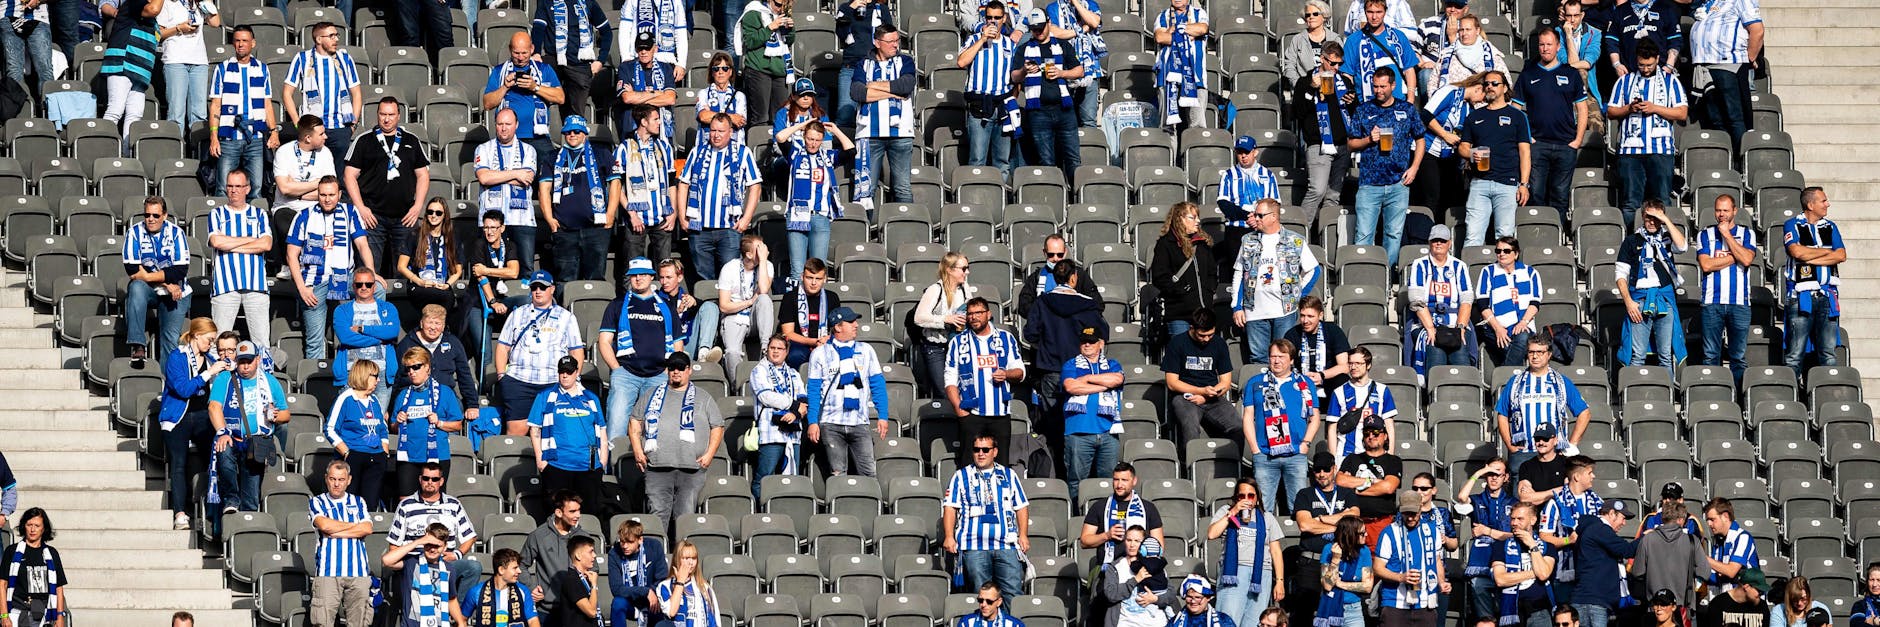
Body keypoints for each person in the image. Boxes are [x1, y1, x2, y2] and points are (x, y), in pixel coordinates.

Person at [631, 352, 726, 529]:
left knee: (686, 518)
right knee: (657, 516)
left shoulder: (703, 397)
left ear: (689, 370)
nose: (676, 371)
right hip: (657, 468)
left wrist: (709, 455)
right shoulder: (651, 394)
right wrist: (637, 450)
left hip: (691, 469)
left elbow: (718, 426)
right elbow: (635, 421)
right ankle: (659, 555)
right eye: (672, 367)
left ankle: (681, 556)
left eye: (681, 368)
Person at [286, 175, 377, 361]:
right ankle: (314, 382)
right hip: (313, 284)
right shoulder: (303, 216)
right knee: (314, 343)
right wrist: (302, 288)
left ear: (339, 194)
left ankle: (370, 336)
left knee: (380, 288)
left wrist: (372, 273)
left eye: (331, 194)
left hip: (344, 279)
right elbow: (291, 255)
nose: (327, 199)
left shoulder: (350, 212)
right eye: (323, 195)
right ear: (317, 195)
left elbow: (362, 245)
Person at [1603, 39, 1686, 228]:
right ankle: (1633, 242)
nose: (1646, 69)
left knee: (1662, 200)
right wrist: (1630, 108)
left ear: (1658, 59)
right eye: (1641, 64)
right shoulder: (1625, 81)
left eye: (1649, 65)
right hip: (1630, 152)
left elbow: (1682, 112)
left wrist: (1654, 108)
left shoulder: (1670, 80)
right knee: (1631, 202)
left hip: (1660, 150)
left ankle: (1664, 240)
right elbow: (1611, 111)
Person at [1347, 69, 1425, 267]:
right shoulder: (1363, 110)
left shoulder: (1407, 109)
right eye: (1375, 86)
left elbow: (1420, 138)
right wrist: (1368, 139)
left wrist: (1414, 168)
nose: (1378, 90)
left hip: (1398, 183)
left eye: (1382, 86)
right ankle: (1363, 272)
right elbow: (1351, 144)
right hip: (1369, 183)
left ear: (1393, 86)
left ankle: (1387, 275)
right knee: (1364, 233)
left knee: (1393, 234)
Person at [491, 270, 585, 435]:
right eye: (534, 287)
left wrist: (574, 379)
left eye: (543, 287)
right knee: (516, 431)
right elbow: (503, 346)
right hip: (519, 380)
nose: (538, 291)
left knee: (554, 432)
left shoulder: (566, 317)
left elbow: (576, 350)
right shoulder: (517, 314)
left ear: (552, 289)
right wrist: (501, 376)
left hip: (553, 382)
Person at [344, 98, 433, 271]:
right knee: (369, 270)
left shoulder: (411, 140)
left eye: (391, 114)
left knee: (405, 271)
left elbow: (423, 175)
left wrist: (417, 207)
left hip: (405, 217)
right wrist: (361, 208)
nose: (387, 119)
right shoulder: (364, 140)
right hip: (372, 218)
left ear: (399, 116)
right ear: (377, 115)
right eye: (383, 114)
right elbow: (349, 175)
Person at [806, 307, 894, 477]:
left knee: (869, 473)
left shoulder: (866, 350)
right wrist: (812, 421)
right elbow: (814, 390)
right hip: (831, 423)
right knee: (838, 473)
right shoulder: (819, 354)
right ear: (838, 327)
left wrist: (883, 415)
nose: (856, 325)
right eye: (851, 322)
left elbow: (877, 384)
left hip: (859, 421)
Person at [943, 432, 1031, 600]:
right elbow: (950, 508)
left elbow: (1021, 507)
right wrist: (949, 536)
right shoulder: (960, 477)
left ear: (995, 452)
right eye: (976, 449)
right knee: (982, 596)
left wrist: (1024, 535)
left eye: (985, 449)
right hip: (974, 545)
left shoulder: (1009, 475)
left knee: (1013, 593)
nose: (981, 453)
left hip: (1007, 545)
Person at [1231, 198, 1321, 364]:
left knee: (1284, 357)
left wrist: (1298, 294)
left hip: (1284, 311)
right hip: (1254, 310)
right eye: (1255, 214)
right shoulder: (1247, 240)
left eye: (1260, 215)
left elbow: (1314, 270)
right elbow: (1239, 273)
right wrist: (1237, 306)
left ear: (1273, 216)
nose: (1255, 218)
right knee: (1258, 359)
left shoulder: (1295, 240)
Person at [600, 257, 681, 440]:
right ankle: (612, 466)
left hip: (658, 375)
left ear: (651, 277)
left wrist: (669, 370)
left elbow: (677, 344)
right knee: (616, 425)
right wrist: (617, 369)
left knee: (654, 431)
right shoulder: (618, 305)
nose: (638, 279)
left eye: (643, 274)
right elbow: (604, 341)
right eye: (634, 275)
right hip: (626, 375)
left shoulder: (666, 306)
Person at [1024, 261, 1106, 439]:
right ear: (1074, 278)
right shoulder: (1088, 305)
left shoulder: (1041, 302)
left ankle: (1056, 466)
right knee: (1078, 425)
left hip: (1050, 370)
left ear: (1054, 278)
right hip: (1080, 372)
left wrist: (1046, 345)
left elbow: (1030, 334)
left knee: (1052, 427)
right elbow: (1103, 334)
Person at [207, 341, 290, 514]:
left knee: (251, 499)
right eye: (241, 361)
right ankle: (231, 498)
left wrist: (275, 416)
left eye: (249, 361)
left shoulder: (269, 381)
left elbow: (285, 414)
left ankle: (247, 528)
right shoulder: (226, 378)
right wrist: (222, 432)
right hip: (232, 436)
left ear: (257, 360)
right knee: (223, 451)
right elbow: (214, 406)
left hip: (257, 441)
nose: (245, 366)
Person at [1513, 28, 1589, 217]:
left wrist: (1578, 141)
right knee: (1536, 194)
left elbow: (1582, 108)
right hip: (1537, 145)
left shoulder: (1571, 74)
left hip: (1566, 145)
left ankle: (1558, 236)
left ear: (1558, 46)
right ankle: (1539, 236)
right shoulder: (1527, 74)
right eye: (1541, 44)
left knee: (1560, 196)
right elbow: (1516, 110)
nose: (1545, 48)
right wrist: (1527, 137)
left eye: (1549, 44)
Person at [161, 318, 228, 530]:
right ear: (196, 335)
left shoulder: (209, 358)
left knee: (216, 458)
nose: (211, 344)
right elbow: (183, 389)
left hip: (201, 416)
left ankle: (212, 511)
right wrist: (209, 373)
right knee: (178, 464)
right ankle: (180, 513)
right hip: (177, 417)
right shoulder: (176, 357)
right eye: (209, 339)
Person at [678, 114, 762, 281]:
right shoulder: (697, 152)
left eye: (721, 131)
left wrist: (746, 218)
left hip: (729, 228)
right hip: (699, 228)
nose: (716, 135)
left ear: (730, 132)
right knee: (703, 279)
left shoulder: (743, 152)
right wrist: (682, 216)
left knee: (729, 278)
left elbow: (755, 186)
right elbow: (683, 184)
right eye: (713, 130)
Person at [1242, 340, 1319, 515]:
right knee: (1262, 509)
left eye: (1281, 357)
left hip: (1296, 454)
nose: (1276, 361)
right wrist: (1255, 449)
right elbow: (1247, 417)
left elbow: (1314, 418)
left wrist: (1305, 444)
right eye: (1273, 357)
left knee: (1299, 509)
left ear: (1291, 360)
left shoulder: (1305, 384)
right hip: (1265, 455)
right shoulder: (1255, 383)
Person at [946, 297, 1027, 465]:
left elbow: (1020, 372)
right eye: (970, 314)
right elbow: (950, 378)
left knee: (1001, 464)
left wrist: (1006, 374)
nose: (973, 317)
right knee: (968, 465)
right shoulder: (957, 342)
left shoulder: (1006, 339)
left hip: (1000, 415)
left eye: (978, 313)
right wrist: (959, 410)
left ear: (988, 314)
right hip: (971, 414)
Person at [1494, 336, 1592, 471]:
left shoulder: (1562, 382)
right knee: (1521, 492)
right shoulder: (1515, 382)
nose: (1535, 356)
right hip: (1523, 453)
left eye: (1540, 352)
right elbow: (1502, 414)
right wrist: (1510, 445)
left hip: (1555, 453)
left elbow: (1584, 413)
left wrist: (1572, 444)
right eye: (1531, 352)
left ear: (1549, 355)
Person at [1457, 70, 1531, 246]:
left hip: (1507, 183)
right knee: (1473, 237)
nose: (1489, 87)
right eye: (1487, 84)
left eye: (1494, 84)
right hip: (1479, 183)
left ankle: (1502, 273)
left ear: (1505, 88)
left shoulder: (1518, 116)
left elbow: (1525, 153)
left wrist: (1524, 184)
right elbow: (1462, 147)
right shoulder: (1474, 116)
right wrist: (1471, 154)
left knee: (1504, 237)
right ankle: (1472, 273)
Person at [776, 121, 854, 285]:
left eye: (817, 140)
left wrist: (836, 130)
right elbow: (780, 137)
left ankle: (819, 308)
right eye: (810, 139)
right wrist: (803, 125)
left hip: (820, 217)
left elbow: (851, 151)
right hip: (797, 216)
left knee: (818, 269)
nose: (813, 143)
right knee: (797, 270)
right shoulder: (795, 153)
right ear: (804, 137)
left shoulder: (827, 156)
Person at [386, 460, 481, 591]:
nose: (430, 482)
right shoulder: (406, 505)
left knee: (473, 567)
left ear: (441, 481)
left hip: (445, 560)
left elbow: (470, 536)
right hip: (415, 561)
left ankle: (458, 610)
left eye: (435, 479)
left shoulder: (454, 504)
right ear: (420, 479)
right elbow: (394, 544)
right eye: (426, 478)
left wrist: (457, 554)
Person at [1694, 195, 1759, 384]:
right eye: (1718, 210)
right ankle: (1715, 392)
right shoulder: (1704, 234)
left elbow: (1747, 260)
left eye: (1725, 210)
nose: (1721, 214)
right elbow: (1706, 265)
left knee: (1738, 357)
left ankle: (1738, 398)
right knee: (1711, 355)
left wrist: (1727, 236)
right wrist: (1736, 256)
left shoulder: (1747, 234)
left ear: (1734, 211)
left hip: (1739, 303)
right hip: (1712, 302)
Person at [209, 26, 279, 200]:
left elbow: (267, 104)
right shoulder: (222, 68)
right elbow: (216, 105)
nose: (241, 45)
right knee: (224, 188)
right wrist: (213, 137)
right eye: (237, 40)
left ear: (253, 43)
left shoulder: (262, 69)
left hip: (255, 137)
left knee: (255, 188)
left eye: (245, 41)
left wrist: (274, 131)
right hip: (229, 137)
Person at [1617, 200, 1688, 369]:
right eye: (1648, 217)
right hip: (1639, 302)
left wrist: (1666, 220)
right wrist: (1629, 303)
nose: (1651, 221)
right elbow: (1620, 276)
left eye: (1656, 218)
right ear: (1642, 216)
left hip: (1664, 299)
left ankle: (1668, 394)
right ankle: (1634, 393)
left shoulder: (1667, 238)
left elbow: (1683, 246)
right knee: (1638, 355)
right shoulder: (1631, 241)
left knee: (1665, 355)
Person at [528, 356, 609, 505]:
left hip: (589, 467)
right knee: (556, 514)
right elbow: (535, 430)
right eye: (562, 371)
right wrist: (541, 461)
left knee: (589, 515)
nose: (565, 375)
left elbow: (602, 430)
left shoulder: (591, 398)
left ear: (577, 372)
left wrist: (602, 461)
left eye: (569, 372)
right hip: (557, 466)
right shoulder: (545, 396)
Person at [540, 115, 611, 283]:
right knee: (565, 280)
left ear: (584, 133)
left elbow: (615, 184)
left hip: (596, 229)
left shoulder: (601, 154)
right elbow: (544, 189)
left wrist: (611, 213)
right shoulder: (552, 157)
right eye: (568, 131)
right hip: (564, 231)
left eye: (577, 131)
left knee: (596, 280)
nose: (572, 134)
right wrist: (549, 219)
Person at [851, 25, 918, 203]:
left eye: (897, 40)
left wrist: (872, 85)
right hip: (869, 134)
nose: (895, 45)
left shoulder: (906, 61)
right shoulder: (863, 64)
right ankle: (864, 230)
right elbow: (857, 93)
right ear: (877, 42)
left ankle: (905, 229)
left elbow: (905, 86)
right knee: (865, 190)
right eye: (890, 42)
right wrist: (893, 92)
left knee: (902, 188)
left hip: (901, 133)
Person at [389, 345, 467, 496]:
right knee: (405, 501)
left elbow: (457, 425)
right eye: (408, 369)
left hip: (436, 457)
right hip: (408, 457)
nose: (411, 372)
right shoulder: (403, 395)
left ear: (428, 368)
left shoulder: (445, 392)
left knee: (434, 501)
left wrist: (440, 423)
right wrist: (398, 422)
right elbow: (393, 428)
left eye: (416, 367)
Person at [1013, 7, 1085, 170]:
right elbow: (1014, 77)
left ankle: (1075, 194)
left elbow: (1079, 71)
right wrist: (1024, 70)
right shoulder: (1024, 49)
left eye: (1040, 27)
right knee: (1046, 161)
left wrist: (1061, 73)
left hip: (1064, 109)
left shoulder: (1062, 45)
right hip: (1038, 112)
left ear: (1049, 23)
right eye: (1034, 29)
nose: (1038, 31)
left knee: (1073, 159)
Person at [1291, 41, 1357, 218]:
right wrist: (1311, 89)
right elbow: (1298, 112)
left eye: (1339, 64)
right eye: (1332, 63)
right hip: (1318, 145)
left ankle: (1327, 239)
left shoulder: (1343, 81)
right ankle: (1301, 232)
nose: (1336, 68)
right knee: (1317, 191)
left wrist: (1352, 102)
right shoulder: (1305, 82)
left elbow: (1352, 114)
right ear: (1322, 59)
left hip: (1342, 146)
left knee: (1333, 196)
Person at [207, 171, 274, 345]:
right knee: (220, 343)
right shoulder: (216, 214)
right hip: (225, 286)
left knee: (262, 344)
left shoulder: (259, 214)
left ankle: (261, 373)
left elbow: (266, 244)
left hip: (256, 286)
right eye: (230, 186)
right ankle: (221, 373)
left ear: (247, 189)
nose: (233, 190)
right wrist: (251, 240)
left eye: (238, 186)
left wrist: (230, 244)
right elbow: (216, 241)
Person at [1208, 478, 1286, 625]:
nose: (1246, 499)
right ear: (1236, 498)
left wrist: (1280, 581)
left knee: (1254, 621)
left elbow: (1276, 551)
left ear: (1257, 499)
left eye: (1250, 495)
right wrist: (1234, 512)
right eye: (1241, 496)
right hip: (1234, 573)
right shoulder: (1226, 512)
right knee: (1228, 620)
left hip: (1262, 574)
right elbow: (1212, 534)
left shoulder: (1267, 518)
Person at [1784, 187, 1845, 372]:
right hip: (1800, 296)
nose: (1828, 204)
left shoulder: (1830, 226)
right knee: (1795, 355)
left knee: (1828, 353)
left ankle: (1828, 393)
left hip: (1827, 296)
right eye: (1823, 201)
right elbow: (1796, 251)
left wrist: (1810, 257)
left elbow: (1841, 255)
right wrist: (1827, 251)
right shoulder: (1792, 224)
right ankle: (1791, 395)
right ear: (1810, 205)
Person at [123, 197, 192, 363]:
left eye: (155, 215)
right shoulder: (134, 232)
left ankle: (167, 382)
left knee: (170, 338)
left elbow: (180, 270)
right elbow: (132, 269)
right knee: (136, 286)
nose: (150, 219)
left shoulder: (176, 233)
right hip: (153, 289)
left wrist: (147, 275)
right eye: (147, 215)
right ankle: (138, 344)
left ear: (165, 215)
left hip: (177, 291)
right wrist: (166, 282)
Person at [482, 32, 564, 168]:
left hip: (539, 137)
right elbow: (487, 103)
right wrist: (505, 87)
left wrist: (535, 87)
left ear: (532, 49)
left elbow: (560, 98)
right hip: (509, 139)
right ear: (510, 50)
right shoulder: (499, 71)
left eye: (524, 53)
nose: (520, 58)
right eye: (516, 53)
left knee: (546, 180)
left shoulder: (544, 70)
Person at [1689, 0, 1762, 151]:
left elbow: (1757, 30)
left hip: (1728, 64)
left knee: (1733, 116)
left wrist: (1750, 58)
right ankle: (1723, 157)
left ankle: (1741, 160)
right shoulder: (1708, 2)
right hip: (1704, 65)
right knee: (1714, 117)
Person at [695, 234, 775, 372]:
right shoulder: (729, 268)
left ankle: (765, 348)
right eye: (759, 248)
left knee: (764, 299)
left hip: (756, 316)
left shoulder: (767, 265)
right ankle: (737, 385)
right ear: (749, 254)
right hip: (734, 316)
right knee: (732, 352)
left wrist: (762, 261)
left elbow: (763, 289)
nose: (764, 250)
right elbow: (724, 306)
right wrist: (749, 302)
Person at [1162, 309, 1240, 450]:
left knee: (1238, 427)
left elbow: (1225, 382)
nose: (1206, 339)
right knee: (1190, 427)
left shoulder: (1219, 344)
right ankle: (1190, 466)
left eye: (1210, 335)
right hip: (1184, 396)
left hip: (1212, 396)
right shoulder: (1177, 343)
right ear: (1192, 328)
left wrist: (1208, 395)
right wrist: (1200, 391)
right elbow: (1172, 383)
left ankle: (1233, 465)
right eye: (1202, 335)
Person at [1061, 329, 1123, 504]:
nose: (1087, 344)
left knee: (1110, 482)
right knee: (1076, 481)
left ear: (1101, 344)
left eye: (1091, 341)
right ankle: (1077, 518)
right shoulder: (1070, 364)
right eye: (1083, 341)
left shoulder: (1112, 364)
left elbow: (1116, 380)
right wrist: (1102, 384)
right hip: (1078, 432)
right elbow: (1072, 387)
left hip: (1108, 432)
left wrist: (1087, 378)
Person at [309, 460, 375, 627]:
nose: (336, 484)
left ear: (349, 480)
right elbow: (324, 525)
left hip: (359, 573)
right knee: (322, 623)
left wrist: (336, 531)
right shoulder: (317, 502)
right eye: (332, 479)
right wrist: (355, 527)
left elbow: (367, 528)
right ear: (326, 479)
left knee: (359, 623)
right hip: (327, 571)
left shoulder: (359, 502)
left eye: (341, 479)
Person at [612, 105, 680, 266]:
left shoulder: (665, 147)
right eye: (655, 119)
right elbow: (617, 186)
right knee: (633, 268)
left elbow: (671, 183)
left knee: (665, 268)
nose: (659, 123)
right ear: (643, 121)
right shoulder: (624, 148)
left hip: (663, 216)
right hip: (636, 219)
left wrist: (674, 212)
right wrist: (632, 214)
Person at [282, 21, 363, 154]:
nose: (336, 39)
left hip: (340, 129)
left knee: (337, 173)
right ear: (319, 39)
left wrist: (352, 126)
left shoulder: (345, 59)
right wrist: (298, 124)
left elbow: (356, 93)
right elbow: (287, 93)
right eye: (331, 36)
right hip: (312, 129)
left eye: (337, 35)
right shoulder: (302, 59)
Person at [476, 109, 542, 273]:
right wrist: (516, 173)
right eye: (500, 124)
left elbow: (527, 179)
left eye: (508, 124)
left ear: (516, 125)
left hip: (522, 219)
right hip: (491, 221)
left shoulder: (528, 150)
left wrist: (496, 175)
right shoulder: (483, 149)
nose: (504, 128)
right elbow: (484, 178)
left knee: (525, 269)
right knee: (489, 267)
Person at [1405, 225, 1476, 374]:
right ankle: (1434, 392)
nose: (1438, 243)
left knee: (1460, 355)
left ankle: (1463, 391)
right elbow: (1416, 300)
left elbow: (1467, 300)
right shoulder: (1420, 264)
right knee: (1435, 349)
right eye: (1435, 240)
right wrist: (1430, 328)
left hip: (1455, 323)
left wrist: (1461, 328)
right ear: (1429, 242)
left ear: (1449, 243)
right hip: (1425, 323)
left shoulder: (1459, 266)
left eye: (1442, 240)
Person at [1373, 490, 1447, 626]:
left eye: (1414, 513)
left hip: (1426, 604)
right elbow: (1377, 568)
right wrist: (1401, 577)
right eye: (1406, 514)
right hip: (1395, 603)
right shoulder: (1389, 532)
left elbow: (1436, 560)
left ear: (1420, 509)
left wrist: (1441, 582)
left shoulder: (1432, 531)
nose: (1410, 518)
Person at [1455, 458, 1515, 625]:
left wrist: (1488, 531)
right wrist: (1479, 473)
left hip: (1507, 561)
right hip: (1481, 561)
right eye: (1490, 474)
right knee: (1479, 594)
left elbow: (1517, 536)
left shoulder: (1513, 503)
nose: (1494, 478)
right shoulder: (1478, 499)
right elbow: (1461, 497)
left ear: (1506, 477)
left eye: (1498, 474)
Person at [97, 0, 163, 152]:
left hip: (140, 71)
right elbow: (153, 9)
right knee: (115, 109)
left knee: (135, 116)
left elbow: (160, 32)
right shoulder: (135, 3)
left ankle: (126, 156)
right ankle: (103, 151)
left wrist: (179, 28)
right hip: (123, 64)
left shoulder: (152, 19)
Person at [326, 358, 391, 509]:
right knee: (350, 504)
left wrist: (384, 450)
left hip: (376, 458)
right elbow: (329, 428)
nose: (378, 380)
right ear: (364, 376)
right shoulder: (346, 399)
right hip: (353, 456)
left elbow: (382, 428)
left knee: (370, 505)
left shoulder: (374, 400)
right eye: (375, 376)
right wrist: (347, 452)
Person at [1417, 72, 1485, 218]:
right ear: (1478, 88)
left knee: (1449, 199)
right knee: (1431, 197)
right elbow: (1425, 115)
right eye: (1483, 96)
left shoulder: (1469, 108)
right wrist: (1444, 134)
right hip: (1429, 150)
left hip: (1449, 156)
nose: (1482, 101)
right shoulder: (1448, 91)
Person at [529, 0, 609, 122]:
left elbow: (607, 32)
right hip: (554, 59)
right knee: (540, 91)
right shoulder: (547, 2)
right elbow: (538, 28)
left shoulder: (588, 3)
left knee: (576, 116)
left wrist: (600, 60)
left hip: (579, 63)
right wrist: (536, 53)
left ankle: (575, 136)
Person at [1149, 202, 1217, 341]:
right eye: (1193, 217)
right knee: (1181, 354)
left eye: (1198, 217)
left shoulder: (1202, 244)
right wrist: (1182, 290)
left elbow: (1212, 273)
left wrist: (1209, 289)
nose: (1198, 221)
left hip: (1204, 313)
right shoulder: (1166, 244)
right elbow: (1159, 277)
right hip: (1179, 313)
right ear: (1180, 218)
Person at [1538, 455, 1601, 605]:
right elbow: (1544, 537)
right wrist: (1568, 540)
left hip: (1591, 573)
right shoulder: (1555, 503)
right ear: (1577, 476)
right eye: (1589, 472)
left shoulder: (1597, 501)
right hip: (1565, 573)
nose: (1594, 476)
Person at [750, 335, 807, 496]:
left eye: (779, 348)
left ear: (787, 351)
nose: (775, 351)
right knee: (764, 478)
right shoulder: (759, 370)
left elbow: (803, 398)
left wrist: (795, 413)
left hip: (793, 433)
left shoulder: (794, 373)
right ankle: (760, 514)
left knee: (792, 479)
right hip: (771, 432)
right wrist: (795, 406)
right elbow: (766, 396)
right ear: (767, 350)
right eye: (772, 348)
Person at [1214, 135, 1281, 272]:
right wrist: (1247, 216)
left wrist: (1258, 219)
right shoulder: (1228, 175)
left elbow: (1275, 204)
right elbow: (1223, 203)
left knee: (1262, 270)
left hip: (1262, 229)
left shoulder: (1268, 175)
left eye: (1247, 152)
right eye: (1239, 153)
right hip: (1236, 230)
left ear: (1255, 152)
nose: (1243, 156)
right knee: (1238, 271)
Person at [335, 268, 401, 409]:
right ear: (353, 286)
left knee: (378, 420)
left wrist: (362, 329)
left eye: (368, 284)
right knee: (352, 419)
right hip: (351, 373)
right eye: (359, 284)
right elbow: (346, 338)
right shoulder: (342, 310)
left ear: (374, 286)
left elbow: (392, 331)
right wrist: (380, 339)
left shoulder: (388, 308)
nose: (363, 287)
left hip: (381, 374)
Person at [394, 203, 465, 333]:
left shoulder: (452, 237)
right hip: (419, 285)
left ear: (445, 216)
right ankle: (436, 330)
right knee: (443, 297)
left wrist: (448, 285)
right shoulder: (415, 235)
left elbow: (458, 270)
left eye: (438, 213)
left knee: (447, 296)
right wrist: (419, 281)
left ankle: (433, 331)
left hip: (442, 285)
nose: (434, 215)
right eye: (430, 212)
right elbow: (401, 266)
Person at [913, 252, 976, 395]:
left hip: (958, 346)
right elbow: (919, 317)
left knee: (961, 388)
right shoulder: (935, 290)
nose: (967, 272)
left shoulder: (965, 288)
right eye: (964, 268)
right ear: (950, 269)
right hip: (936, 347)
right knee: (945, 391)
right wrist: (945, 319)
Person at [1475, 236, 1543, 367]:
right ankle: (1512, 378)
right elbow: (1483, 304)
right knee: (1512, 348)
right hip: (1495, 327)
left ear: (1516, 254)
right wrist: (1498, 328)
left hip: (1523, 326)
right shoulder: (1488, 272)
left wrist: (1523, 322)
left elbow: (1535, 303)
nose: (1501, 254)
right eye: (1498, 251)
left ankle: (1506, 378)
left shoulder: (1530, 272)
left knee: (1522, 339)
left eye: (1506, 251)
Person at [1081, 463, 1167, 565]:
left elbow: (1158, 546)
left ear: (1134, 481)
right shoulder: (1099, 507)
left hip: (1141, 568)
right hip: (1107, 569)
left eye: (1124, 480)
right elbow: (1084, 541)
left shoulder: (1148, 508)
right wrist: (1107, 535)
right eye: (1116, 480)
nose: (1119, 485)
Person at [519, 491, 590, 615]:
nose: (578, 515)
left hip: (576, 610)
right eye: (572, 511)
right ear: (558, 512)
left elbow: (593, 568)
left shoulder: (583, 537)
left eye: (579, 510)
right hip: (546, 611)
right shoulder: (539, 535)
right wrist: (531, 587)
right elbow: (521, 564)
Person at [465, 210, 524, 355]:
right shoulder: (479, 245)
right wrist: (492, 302)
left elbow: (513, 272)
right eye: (486, 228)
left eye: (493, 228)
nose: (489, 232)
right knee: (484, 353)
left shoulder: (510, 246)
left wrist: (486, 270)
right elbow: (481, 278)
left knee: (526, 300)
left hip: (502, 297)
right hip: (479, 302)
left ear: (502, 228)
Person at [1336, 415, 1402, 542]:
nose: (1371, 436)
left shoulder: (1393, 461)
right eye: (1367, 433)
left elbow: (1388, 487)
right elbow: (1340, 481)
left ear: (1385, 436)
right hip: (1353, 523)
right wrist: (1373, 482)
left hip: (1380, 522)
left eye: (1376, 432)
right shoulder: (1352, 459)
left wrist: (1354, 489)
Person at [1572, 500, 1638, 627]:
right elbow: (1626, 550)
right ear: (1612, 513)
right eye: (1623, 518)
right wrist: (1645, 536)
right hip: (1593, 602)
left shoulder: (1593, 528)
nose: (1624, 523)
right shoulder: (1600, 529)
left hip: (1589, 600)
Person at [1631, 499, 1706, 611]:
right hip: (1684, 607)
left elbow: (1637, 572)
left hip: (1656, 606)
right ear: (1681, 520)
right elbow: (1704, 572)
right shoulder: (1692, 541)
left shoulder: (1647, 540)